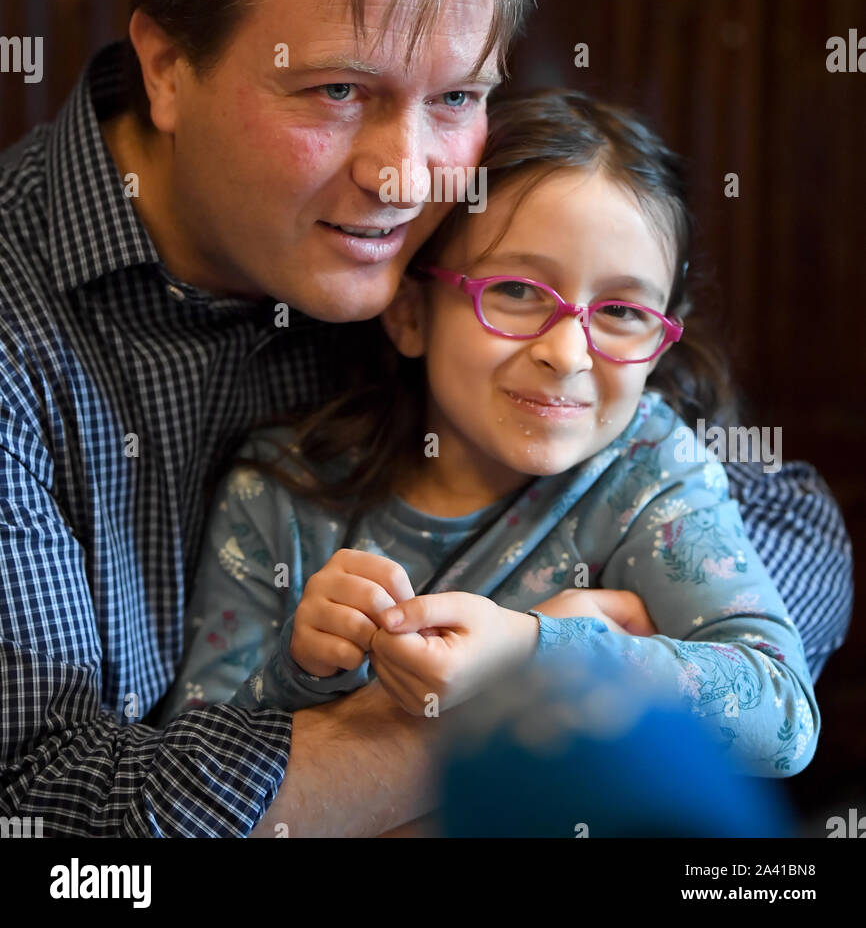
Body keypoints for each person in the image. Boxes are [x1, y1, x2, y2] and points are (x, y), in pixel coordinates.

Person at [0, 0, 851, 839]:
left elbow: (779, 518)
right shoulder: (18, 328)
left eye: (455, 97)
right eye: (336, 92)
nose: (405, 176)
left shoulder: (445, 248)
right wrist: (519, 688)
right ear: (168, 67)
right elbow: (46, 815)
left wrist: (577, 650)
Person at [161, 91, 824, 807]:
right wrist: (298, 673)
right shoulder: (282, 491)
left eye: (624, 312)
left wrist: (535, 650)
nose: (567, 353)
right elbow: (190, 783)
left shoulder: (648, 473)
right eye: (515, 291)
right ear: (411, 313)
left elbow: (782, 717)